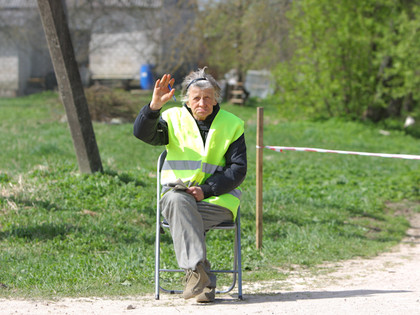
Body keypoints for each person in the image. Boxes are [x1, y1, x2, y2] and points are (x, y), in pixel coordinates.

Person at [133, 67, 247, 302]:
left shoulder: (232, 124)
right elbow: (142, 134)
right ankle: (200, 276)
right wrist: (153, 108)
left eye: (207, 98)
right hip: (178, 195)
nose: (202, 103)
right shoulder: (172, 118)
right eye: (196, 98)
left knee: (182, 219)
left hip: (218, 200)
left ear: (216, 99)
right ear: (187, 99)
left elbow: (238, 170)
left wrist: (205, 190)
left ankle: (199, 279)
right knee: (177, 202)